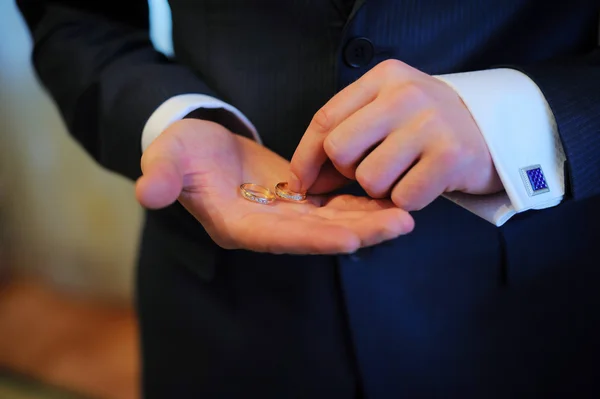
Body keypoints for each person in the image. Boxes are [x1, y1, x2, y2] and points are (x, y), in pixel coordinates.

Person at [16, 1, 600, 398]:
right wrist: (172, 116)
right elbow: (71, 18)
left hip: (533, 314)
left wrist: (511, 121)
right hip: (224, 313)